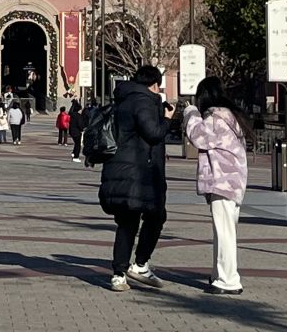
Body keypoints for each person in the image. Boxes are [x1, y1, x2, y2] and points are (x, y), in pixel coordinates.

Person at [98, 65, 173, 292]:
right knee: (156, 215)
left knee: (127, 223)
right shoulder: (143, 101)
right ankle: (140, 264)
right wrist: (168, 118)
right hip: (140, 172)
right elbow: (153, 133)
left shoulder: (123, 98)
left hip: (119, 170)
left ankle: (119, 275)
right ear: (154, 84)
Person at [183, 75, 250, 297]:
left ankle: (228, 279)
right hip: (233, 182)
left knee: (224, 233)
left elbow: (198, 137)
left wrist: (190, 113)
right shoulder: (231, 118)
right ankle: (219, 274)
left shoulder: (215, 118)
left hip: (222, 181)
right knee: (224, 231)